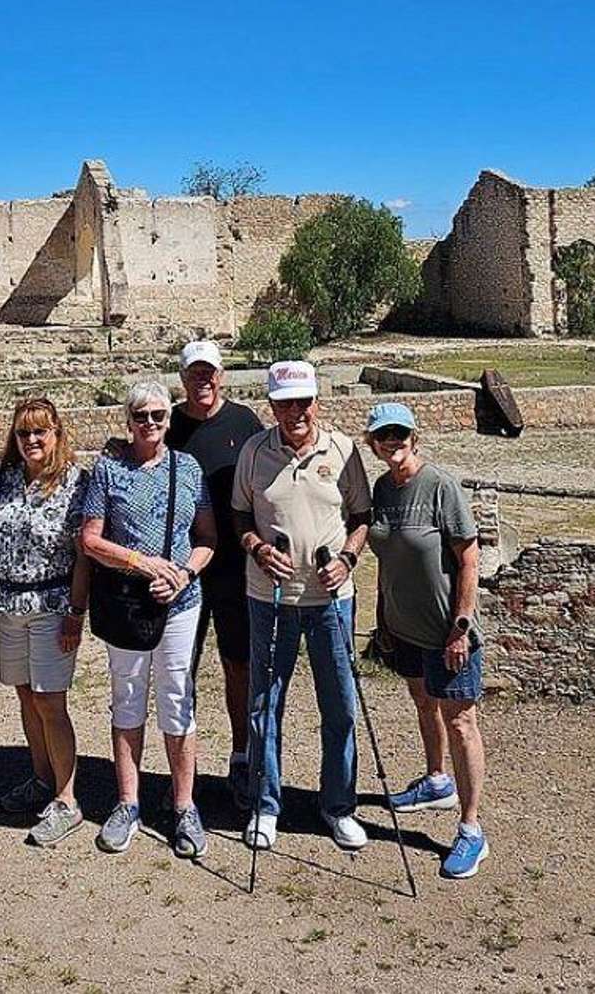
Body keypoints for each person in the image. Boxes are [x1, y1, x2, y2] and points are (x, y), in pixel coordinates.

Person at [233, 360, 373, 852]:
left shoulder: (343, 450)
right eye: (285, 402)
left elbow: (361, 515)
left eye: (304, 401)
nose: (296, 411)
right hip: (269, 597)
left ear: (318, 401)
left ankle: (338, 806)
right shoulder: (254, 451)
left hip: (332, 598)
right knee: (265, 704)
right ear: (271, 405)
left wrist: (349, 559)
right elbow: (239, 516)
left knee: (339, 703)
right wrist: (256, 548)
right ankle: (265, 806)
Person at [75, 382, 218, 858]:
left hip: (179, 602)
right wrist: (141, 563)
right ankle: (127, 801)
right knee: (128, 698)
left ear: (169, 419)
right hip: (127, 602)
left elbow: (206, 539)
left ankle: (183, 806)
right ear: (128, 420)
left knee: (177, 700)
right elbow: (90, 540)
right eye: (141, 416)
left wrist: (181, 574)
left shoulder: (187, 468)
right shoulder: (108, 471)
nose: (150, 424)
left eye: (158, 415)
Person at [362, 402, 490, 879]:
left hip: (445, 632)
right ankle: (437, 782)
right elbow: (390, 560)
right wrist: (382, 619)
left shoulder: (440, 486)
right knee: (422, 701)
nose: (392, 443)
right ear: (372, 443)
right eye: (382, 436)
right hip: (404, 628)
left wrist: (460, 625)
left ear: (414, 437)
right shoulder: (382, 489)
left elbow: (469, 559)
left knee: (461, 722)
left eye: (399, 435)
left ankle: (471, 829)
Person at [166, 340, 265, 805]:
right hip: (180, 567)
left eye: (209, 373)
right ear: (182, 378)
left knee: (238, 663)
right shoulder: (167, 423)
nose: (202, 381)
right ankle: (182, 773)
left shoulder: (244, 423)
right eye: (194, 373)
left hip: (234, 567)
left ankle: (241, 757)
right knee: (179, 668)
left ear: (221, 376)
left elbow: (266, 481)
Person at [0, 397, 91, 846]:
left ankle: (68, 799)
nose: (31, 440)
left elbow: (84, 555)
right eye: (23, 433)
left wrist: (76, 611)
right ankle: (41, 778)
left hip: (53, 607)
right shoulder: (6, 480)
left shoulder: (74, 484)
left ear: (56, 435)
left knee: (51, 702)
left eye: (40, 432)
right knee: (27, 699)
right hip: (9, 608)